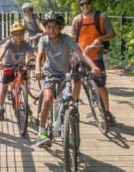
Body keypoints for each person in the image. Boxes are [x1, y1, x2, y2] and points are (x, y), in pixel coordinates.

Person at [35, 12, 100, 147]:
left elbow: (81, 54)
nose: (51, 30)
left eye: (54, 27)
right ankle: (41, 132)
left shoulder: (67, 39)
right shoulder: (44, 40)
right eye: (48, 27)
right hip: (49, 73)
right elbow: (39, 55)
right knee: (48, 99)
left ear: (60, 28)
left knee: (68, 101)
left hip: (65, 75)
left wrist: (93, 66)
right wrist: (37, 69)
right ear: (45, 28)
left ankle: (68, 132)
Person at [71, 0, 116, 126]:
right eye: (82, 4)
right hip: (80, 56)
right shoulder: (77, 20)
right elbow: (73, 40)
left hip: (96, 56)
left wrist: (100, 39)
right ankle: (73, 108)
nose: (85, 6)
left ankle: (107, 112)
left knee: (100, 85)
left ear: (92, 3)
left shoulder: (101, 18)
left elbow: (112, 34)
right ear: (79, 6)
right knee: (77, 83)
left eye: (87, 3)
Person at [0, 22, 34, 121]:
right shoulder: (9, 43)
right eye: (16, 34)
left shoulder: (27, 43)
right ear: (12, 35)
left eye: (21, 34)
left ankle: (25, 103)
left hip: (21, 66)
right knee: (4, 87)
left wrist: (37, 60)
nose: (18, 37)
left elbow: (33, 53)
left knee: (25, 83)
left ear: (24, 34)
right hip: (8, 65)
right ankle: (0, 108)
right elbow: (3, 51)